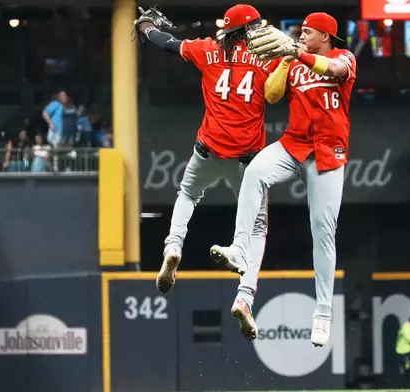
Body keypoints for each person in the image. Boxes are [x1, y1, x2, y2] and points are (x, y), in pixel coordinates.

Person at [134, 5, 280, 341]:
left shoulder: (208, 49)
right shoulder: (268, 60)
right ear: (249, 30)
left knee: (187, 194)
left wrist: (144, 28)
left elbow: (167, 42)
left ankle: (173, 247)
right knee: (257, 228)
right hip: (247, 162)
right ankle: (245, 296)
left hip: (208, 150)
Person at [210, 12, 357, 347]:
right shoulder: (295, 61)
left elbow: (334, 71)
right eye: (300, 32)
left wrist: (296, 53)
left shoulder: (341, 56)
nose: (301, 35)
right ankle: (239, 248)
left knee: (322, 230)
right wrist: (284, 62)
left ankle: (322, 312)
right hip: (294, 144)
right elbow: (272, 95)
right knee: (254, 173)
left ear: (326, 35)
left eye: (308, 32)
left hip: (328, 152)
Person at [395, 316, 410, 388]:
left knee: (405, 370)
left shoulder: (404, 327)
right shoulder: (408, 328)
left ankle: (405, 386)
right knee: (408, 371)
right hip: (405, 353)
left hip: (402, 352)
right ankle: (406, 386)